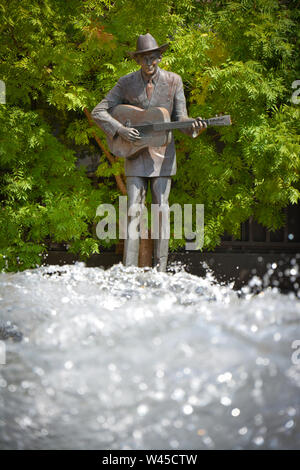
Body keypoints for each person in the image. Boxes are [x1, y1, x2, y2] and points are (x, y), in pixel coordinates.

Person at [91, 33, 207, 271]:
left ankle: (161, 271)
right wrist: (121, 129)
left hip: (163, 155)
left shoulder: (174, 81)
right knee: (134, 209)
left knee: (162, 210)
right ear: (137, 60)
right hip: (134, 153)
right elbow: (98, 111)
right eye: (144, 59)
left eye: (153, 58)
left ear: (160, 57)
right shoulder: (125, 83)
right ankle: (129, 272)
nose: (149, 63)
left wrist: (193, 127)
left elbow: (180, 119)